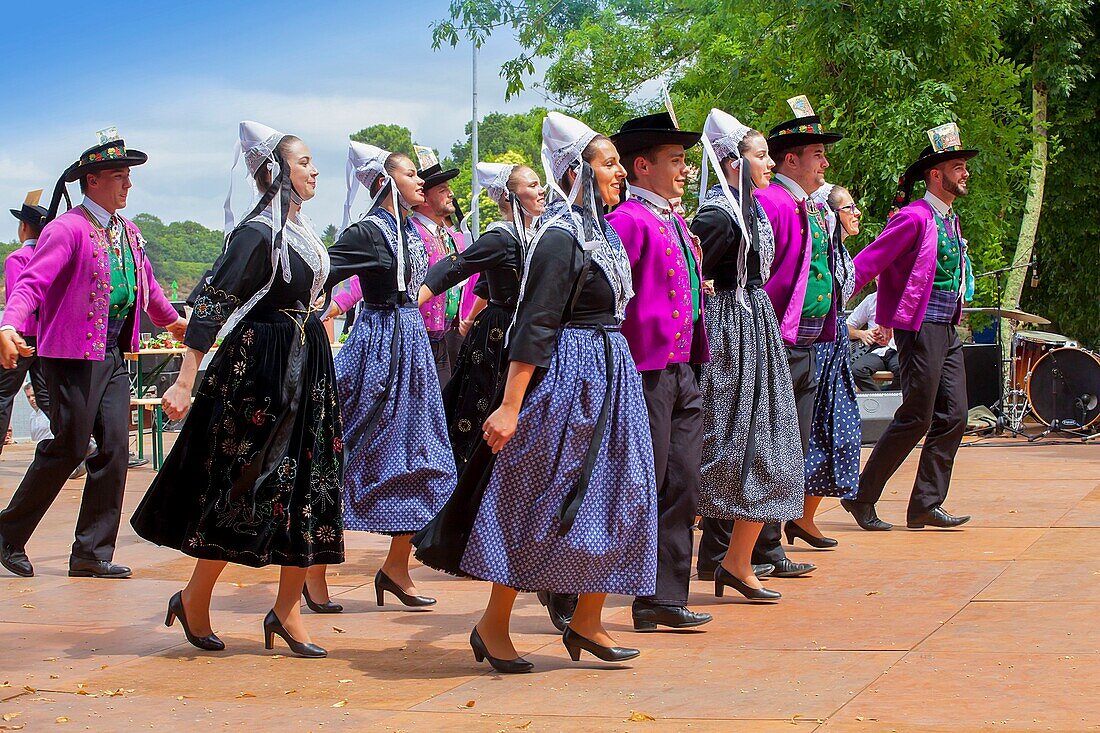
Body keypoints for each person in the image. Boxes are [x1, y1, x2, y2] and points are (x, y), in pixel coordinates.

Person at [131, 122, 343, 657]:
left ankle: (288, 609)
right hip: (260, 369)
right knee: (240, 483)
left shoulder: (304, 232)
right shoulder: (256, 234)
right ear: (276, 173)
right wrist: (185, 377)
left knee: (307, 483)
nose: (314, 170)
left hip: (306, 361)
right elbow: (213, 302)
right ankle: (196, 597)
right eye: (304, 162)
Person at [458, 112, 657, 673]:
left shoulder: (605, 232)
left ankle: (589, 619)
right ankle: (493, 624)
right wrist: (511, 404)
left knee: (623, 494)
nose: (620, 171)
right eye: (609, 162)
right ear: (578, 171)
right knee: (538, 499)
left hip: (612, 373)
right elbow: (536, 321)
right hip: (568, 377)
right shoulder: (559, 236)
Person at [0, 131, 185, 580]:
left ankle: (91, 552)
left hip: (110, 355)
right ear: (94, 180)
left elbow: (150, 290)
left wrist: (175, 323)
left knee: (116, 448)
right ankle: (7, 533)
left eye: (128, 177)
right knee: (69, 446)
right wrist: (8, 325)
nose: (128, 185)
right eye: (120, 177)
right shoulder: (67, 229)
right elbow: (31, 285)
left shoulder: (129, 231)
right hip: (69, 356)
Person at [322, 141, 458, 608]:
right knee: (350, 449)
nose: (422, 181)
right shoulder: (367, 232)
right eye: (411, 175)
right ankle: (310, 571)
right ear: (385, 181)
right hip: (376, 345)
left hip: (412, 345)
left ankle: (396, 566)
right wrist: (307, 317)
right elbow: (323, 273)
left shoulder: (409, 230)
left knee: (425, 458)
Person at [606, 112, 712, 630]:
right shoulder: (627, 220)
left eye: (685, 160)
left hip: (683, 367)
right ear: (642, 166)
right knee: (636, 483)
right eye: (675, 160)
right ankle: (568, 585)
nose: (685, 169)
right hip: (644, 367)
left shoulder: (671, 217)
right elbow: (605, 293)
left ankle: (662, 595)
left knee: (683, 480)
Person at [842, 123, 977, 531]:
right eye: (958, 167)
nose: (965, 173)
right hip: (920, 330)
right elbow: (871, 260)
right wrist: (839, 296)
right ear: (936, 175)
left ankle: (925, 504)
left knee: (955, 414)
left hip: (946, 328)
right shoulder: (915, 217)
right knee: (917, 415)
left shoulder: (948, 220)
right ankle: (862, 494)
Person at [691, 108, 802, 601]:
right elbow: (692, 277)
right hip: (728, 332)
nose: (770, 164)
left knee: (770, 441)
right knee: (728, 443)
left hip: (757, 325)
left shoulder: (753, 209)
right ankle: (715, 558)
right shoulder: (715, 215)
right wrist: (705, 290)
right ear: (734, 161)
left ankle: (737, 560)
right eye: (761, 156)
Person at [748, 96, 847, 578]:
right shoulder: (770, 202)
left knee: (794, 442)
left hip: (808, 339)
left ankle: (769, 542)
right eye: (817, 155)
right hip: (778, 338)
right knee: (773, 443)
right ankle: (756, 548)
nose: (825, 163)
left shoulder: (806, 205)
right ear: (791, 158)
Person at [415, 162, 545, 472]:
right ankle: (465, 479)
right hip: (500, 334)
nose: (541, 190)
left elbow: (486, 285)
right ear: (509, 196)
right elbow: (456, 267)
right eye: (532, 185)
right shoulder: (500, 237)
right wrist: (412, 303)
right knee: (481, 406)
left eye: (540, 183)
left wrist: (470, 318)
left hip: (526, 330)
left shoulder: (538, 233)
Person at [789, 183, 863, 545]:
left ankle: (803, 516)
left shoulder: (842, 254)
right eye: (849, 207)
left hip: (835, 349)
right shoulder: (819, 252)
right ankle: (789, 518)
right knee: (813, 432)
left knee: (841, 431)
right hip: (816, 344)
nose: (857, 213)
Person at [411, 151, 467, 386]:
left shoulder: (447, 235)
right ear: (424, 198)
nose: (451, 194)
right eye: (443, 190)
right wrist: (338, 304)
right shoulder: (412, 233)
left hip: (442, 338)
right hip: (418, 338)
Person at [0, 191, 51, 455]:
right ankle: (78, 446)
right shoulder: (48, 258)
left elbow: (16, 298)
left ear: (23, 227)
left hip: (21, 336)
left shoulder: (16, 259)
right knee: (46, 396)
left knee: (2, 394)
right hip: (46, 338)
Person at [847, 290, 899, 391]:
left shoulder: (906, 298)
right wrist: (862, 334)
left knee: (904, 369)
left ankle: (886, 397)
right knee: (857, 370)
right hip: (876, 351)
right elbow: (846, 327)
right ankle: (879, 400)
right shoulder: (871, 299)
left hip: (898, 349)